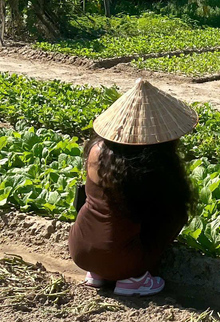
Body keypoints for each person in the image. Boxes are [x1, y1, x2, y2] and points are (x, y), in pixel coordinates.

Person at [69, 78, 198, 297]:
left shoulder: (96, 149)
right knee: (176, 214)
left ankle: (97, 273)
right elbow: (165, 211)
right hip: (123, 261)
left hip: (80, 248)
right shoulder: (151, 164)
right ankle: (133, 279)